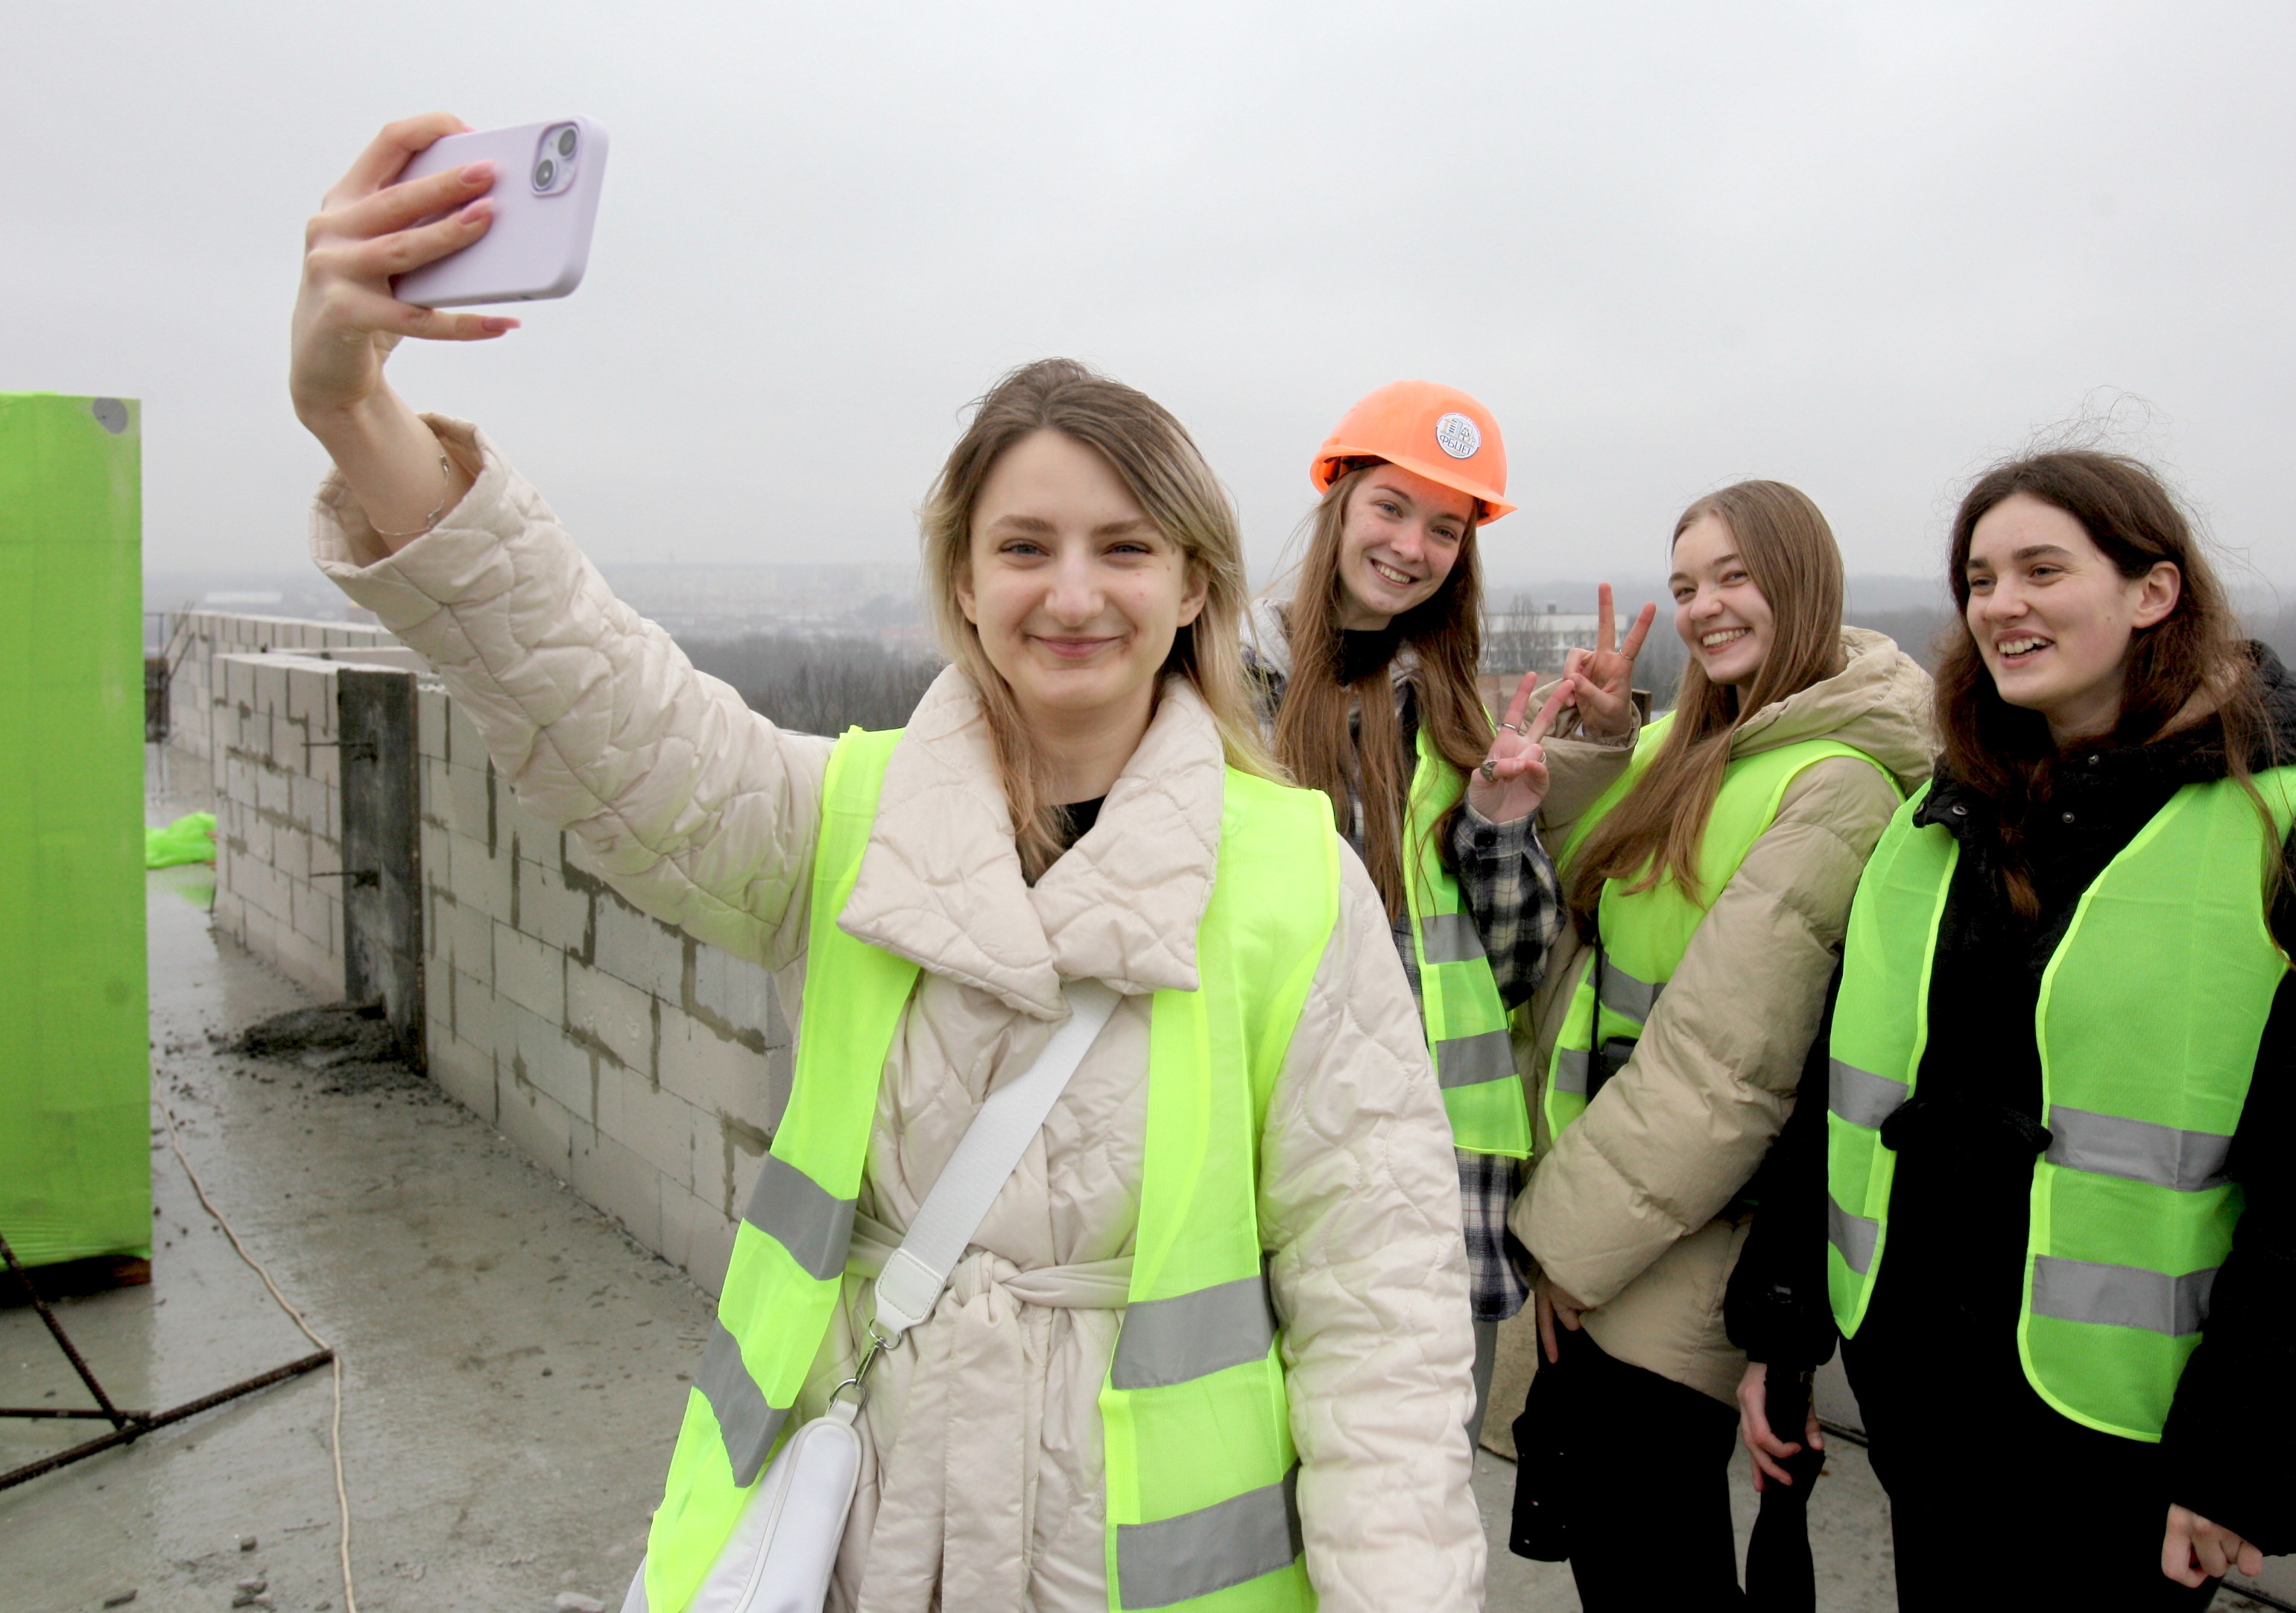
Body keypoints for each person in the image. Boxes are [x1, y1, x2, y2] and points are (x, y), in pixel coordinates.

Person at [288, 116, 1486, 1613]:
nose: (1071, 591)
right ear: (963, 584)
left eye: (1124, 548)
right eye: (1023, 545)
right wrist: (352, 412)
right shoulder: (845, 824)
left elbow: (1381, 1320)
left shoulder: (1294, 883)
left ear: (1193, 584)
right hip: (863, 1548)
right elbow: (591, 699)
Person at [1821, 449, 2296, 1606]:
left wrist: (2243, 1465)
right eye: (1979, 577)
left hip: (2120, 1453)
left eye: (2041, 569)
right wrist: (1788, 1321)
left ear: (2151, 592)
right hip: (1924, 1406)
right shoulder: (1936, 820)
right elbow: (1846, 1097)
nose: (2000, 604)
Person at [1503, 482, 1935, 1611]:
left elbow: (1724, 1072)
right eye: (1686, 583)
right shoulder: (1704, 740)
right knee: (1624, 1544)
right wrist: (1601, 741)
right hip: (1623, 1212)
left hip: (1678, 1241)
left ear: (1801, 581)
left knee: (1650, 1559)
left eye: (1734, 577)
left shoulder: (1832, 783)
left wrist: (1563, 1251)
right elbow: (1585, 877)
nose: (1703, 608)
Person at [1245, 381, 1572, 1416]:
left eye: (1445, 528)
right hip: (1260, 1160)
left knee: (1410, 1509)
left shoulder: (1452, 705)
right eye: (1390, 506)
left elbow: (1511, 970)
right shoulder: (1219, 686)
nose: (1411, 546)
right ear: (1336, 498)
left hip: (1433, 1176)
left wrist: (1498, 827)